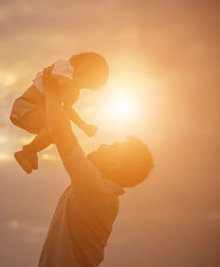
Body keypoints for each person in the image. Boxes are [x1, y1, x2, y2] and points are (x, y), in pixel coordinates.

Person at [38, 68, 154, 267]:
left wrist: (50, 89)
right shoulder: (98, 192)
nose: (102, 145)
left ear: (114, 164)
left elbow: (61, 133)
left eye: (112, 147)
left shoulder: (99, 192)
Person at [10, 52, 109, 174]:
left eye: (86, 88)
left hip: (37, 112)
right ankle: (28, 152)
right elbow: (61, 81)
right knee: (58, 125)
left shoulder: (74, 91)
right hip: (26, 106)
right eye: (85, 83)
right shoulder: (64, 66)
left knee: (58, 132)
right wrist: (71, 90)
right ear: (83, 68)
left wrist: (85, 127)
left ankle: (29, 151)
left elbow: (69, 110)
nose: (81, 88)